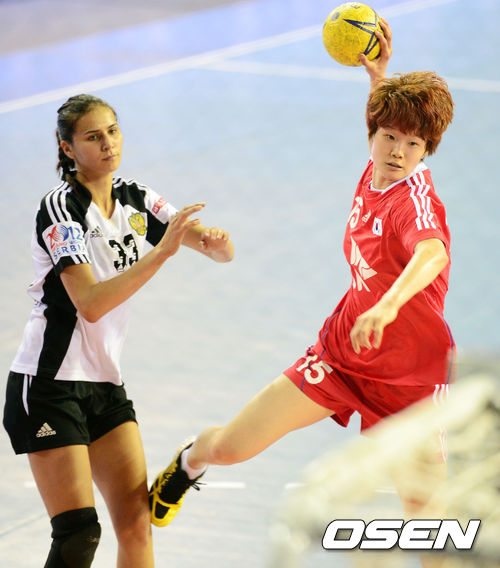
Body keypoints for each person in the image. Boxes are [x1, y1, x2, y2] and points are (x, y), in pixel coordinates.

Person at [149, 16, 456, 553]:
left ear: (426, 151)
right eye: (389, 137)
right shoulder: (375, 167)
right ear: (372, 135)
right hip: (343, 355)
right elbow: (384, 118)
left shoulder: (415, 202)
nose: (397, 152)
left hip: (410, 382)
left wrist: (388, 305)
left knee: (429, 526)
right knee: (232, 447)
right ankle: (189, 462)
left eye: (413, 144)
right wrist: (379, 77)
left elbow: (432, 252)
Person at [2, 93, 234, 568]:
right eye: (93, 136)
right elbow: (90, 304)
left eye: (112, 130)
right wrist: (161, 253)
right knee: (78, 535)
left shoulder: (135, 198)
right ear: (68, 148)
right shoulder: (61, 209)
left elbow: (216, 251)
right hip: (48, 385)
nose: (108, 143)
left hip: (104, 384)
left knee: (136, 527)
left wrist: (216, 243)